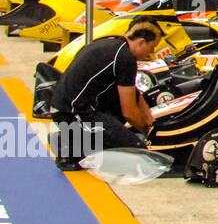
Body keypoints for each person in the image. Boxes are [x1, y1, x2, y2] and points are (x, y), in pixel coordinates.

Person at [49, 19, 163, 171]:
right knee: (138, 152)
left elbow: (134, 94)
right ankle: (70, 147)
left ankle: (77, 138)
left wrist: (150, 121)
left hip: (68, 105)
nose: (151, 53)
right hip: (71, 113)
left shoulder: (114, 45)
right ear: (142, 42)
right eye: (151, 48)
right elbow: (129, 112)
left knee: (121, 129)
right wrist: (148, 135)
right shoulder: (125, 58)